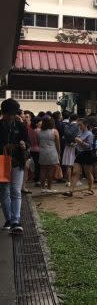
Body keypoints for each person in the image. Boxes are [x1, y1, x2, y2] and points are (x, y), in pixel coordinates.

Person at [0, 99, 29, 233]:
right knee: (4, 191)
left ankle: (15, 220)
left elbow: (27, 142)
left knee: (16, 191)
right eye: (10, 114)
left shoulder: (21, 126)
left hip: (18, 161)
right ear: (3, 113)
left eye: (14, 114)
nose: (12, 116)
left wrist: (24, 144)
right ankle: (10, 219)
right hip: (2, 162)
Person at [63, 117, 96, 197]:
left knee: (87, 172)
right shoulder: (79, 133)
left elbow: (89, 146)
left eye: (80, 125)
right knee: (75, 172)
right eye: (78, 125)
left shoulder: (89, 134)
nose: (79, 127)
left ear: (85, 125)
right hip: (80, 154)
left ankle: (90, 189)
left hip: (87, 153)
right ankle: (70, 191)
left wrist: (81, 142)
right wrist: (75, 144)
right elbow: (78, 143)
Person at [38, 115, 61, 193]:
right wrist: (59, 153)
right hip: (52, 152)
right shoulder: (54, 131)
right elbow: (58, 144)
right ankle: (49, 188)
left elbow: (38, 143)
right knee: (50, 170)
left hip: (42, 152)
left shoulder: (39, 131)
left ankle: (42, 188)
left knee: (42, 170)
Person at [60, 113, 79, 185]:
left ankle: (68, 181)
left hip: (68, 146)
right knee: (76, 164)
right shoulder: (78, 126)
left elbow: (64, 137)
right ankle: (75, 180)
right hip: (76, 146)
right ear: (77, 119)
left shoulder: (66, 126)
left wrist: (69, 142)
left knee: (68, 165)